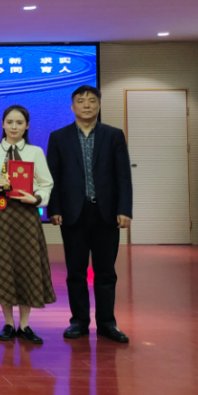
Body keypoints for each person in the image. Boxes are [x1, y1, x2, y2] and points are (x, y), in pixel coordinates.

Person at [47, 85, 133, 343]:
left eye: (92, 100)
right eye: (81, 101)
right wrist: (54, 208)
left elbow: (123, 175)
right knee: (76, 272)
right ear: (72, 106)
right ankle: (79, 322)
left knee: (106, 272)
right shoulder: (58, 137)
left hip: (106, 213)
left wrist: (124, 209)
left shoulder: (113, 135)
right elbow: (53, 176)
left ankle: (107, 323)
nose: (87, 105)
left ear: (99, 105)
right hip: (73, 214)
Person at [0, 105, 56, 344]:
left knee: (26, 264)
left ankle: (24, 324)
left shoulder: (35, 152)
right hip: (1, 213)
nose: (14, 127)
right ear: (2, 124)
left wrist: (37, 198)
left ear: (27, 126)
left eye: (19, 123)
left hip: (26, 213)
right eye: (10, 122)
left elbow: (46, 183)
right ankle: (8, 323)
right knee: (3, 265)